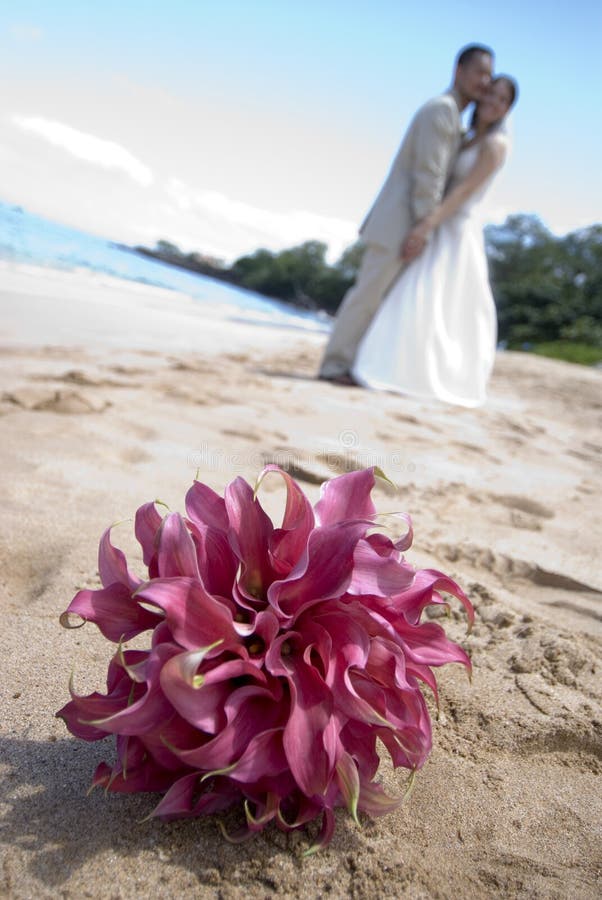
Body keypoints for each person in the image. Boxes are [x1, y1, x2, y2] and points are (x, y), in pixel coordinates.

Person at [318, 44, 494, 386]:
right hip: (400, 223)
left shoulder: (454, 117)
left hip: (407, 223)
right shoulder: (442, 110)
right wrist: (423, 228)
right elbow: (429, 174)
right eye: (479, 73)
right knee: (367, 296)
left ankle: (349, 365)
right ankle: (333, 366)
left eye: (488, 76)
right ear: (458, 70)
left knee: (378, 299)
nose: (484, 82)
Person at [352, 76, 519, 407]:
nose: (493, 102)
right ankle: (398, 364)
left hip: (456, 228)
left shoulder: (494, 145)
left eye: (502, 99)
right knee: (416, 296)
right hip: (441, 222)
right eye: (491, 93)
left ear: (507, 109)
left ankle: (427, 372)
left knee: (439, 299)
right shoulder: (469, 137)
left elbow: (464, 190)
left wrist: (427, 224)